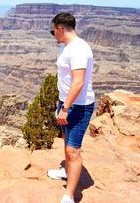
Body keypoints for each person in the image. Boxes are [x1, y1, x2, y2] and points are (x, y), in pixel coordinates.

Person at [47, 12, 95, 203]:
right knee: (67, 143)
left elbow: (78, 82)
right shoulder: (67, 47)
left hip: (78, 106)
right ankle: (66, 171)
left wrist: (65, 108)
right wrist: (60, 103)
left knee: (73, 151)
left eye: (52, 32)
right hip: (66, 102)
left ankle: (70, 195)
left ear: (60, 29)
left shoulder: (78, 49)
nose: (53, 36)